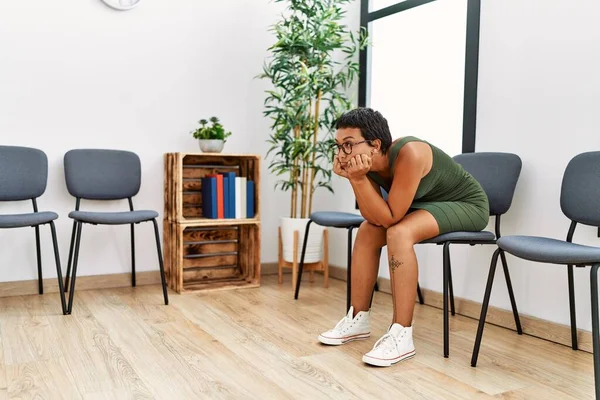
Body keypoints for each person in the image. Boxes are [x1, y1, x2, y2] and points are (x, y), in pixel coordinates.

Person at [317, 107, 489, 367]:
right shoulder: (367, 165)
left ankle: (402, 334)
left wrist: (357, 179)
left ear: (375, 144)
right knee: (367, 230)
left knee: (399, 233)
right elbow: (374, 217)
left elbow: (391, 218)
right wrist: (357, 179)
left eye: (349, 145)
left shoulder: (410, 153)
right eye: (339, 146)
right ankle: (357, 318)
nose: (342, 154)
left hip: (466, 204)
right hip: (424, 205)